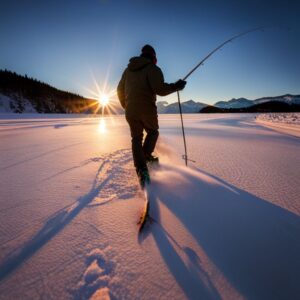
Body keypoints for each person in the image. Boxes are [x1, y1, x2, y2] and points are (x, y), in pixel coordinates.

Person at [117, 44, 186, 188]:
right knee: (153, 132)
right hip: (147, 109)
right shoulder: (152, 69)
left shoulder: (128, 70)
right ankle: (146, 157)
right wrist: (176, 86)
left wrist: (126, 105)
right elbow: (159, 89)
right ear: (153, 57)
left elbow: (119, 89)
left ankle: (141, 169)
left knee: (136, 137)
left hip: (130, 111)